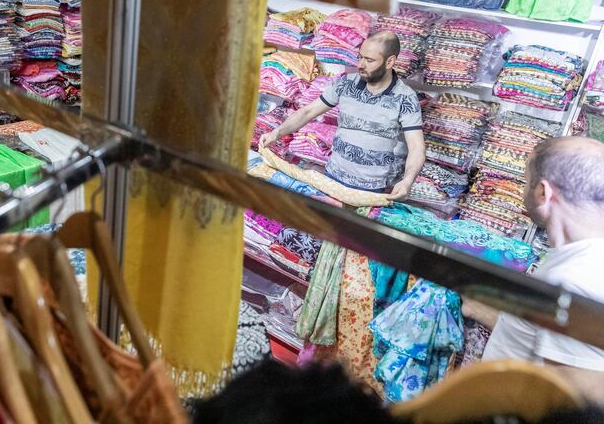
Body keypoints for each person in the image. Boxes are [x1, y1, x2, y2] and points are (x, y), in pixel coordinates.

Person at [463, 137, 604, 401]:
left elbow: (573, 404)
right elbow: (548, 343)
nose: (522, 190)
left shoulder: (574, 280)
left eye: (525, 181)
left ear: (543, 192)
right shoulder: (576, 257)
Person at [259, 30, 425, 200]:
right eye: (360, 57)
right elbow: (308, 111)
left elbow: (416, 148)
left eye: (369, 60)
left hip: (370, 190)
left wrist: (407, 181)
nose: (361, 64)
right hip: (332, 178)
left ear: (390, 61)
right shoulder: (345, 83)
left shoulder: (405, 98)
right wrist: (276, 133)